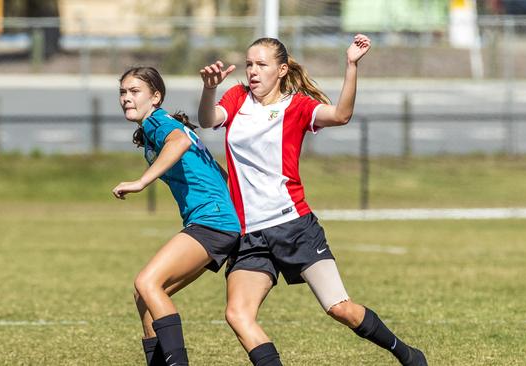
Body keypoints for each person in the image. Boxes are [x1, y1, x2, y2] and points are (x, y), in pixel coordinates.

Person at [197, 35, 427, 366]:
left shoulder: (297, 106)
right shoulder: (236, 98)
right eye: (249, 64)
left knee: (340, 308)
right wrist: (209, 89)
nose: (253, 72)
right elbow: (207, 121)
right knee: (237, 314)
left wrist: (351, 65)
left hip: (294, 227)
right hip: (249, 235)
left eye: (262, 65)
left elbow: (341, 115)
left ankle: (406, 354)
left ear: (281, 69)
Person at [114, 66, 240, 366]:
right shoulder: (159, 126)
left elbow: (180, 143)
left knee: (147, 282)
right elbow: (217, 173)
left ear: (155, 97)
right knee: (145, 297)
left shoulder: (159, 122)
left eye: (134, 92)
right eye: (122, 92)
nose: (126, 98)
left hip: (214, 222)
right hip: (216, 220)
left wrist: (141, 181)